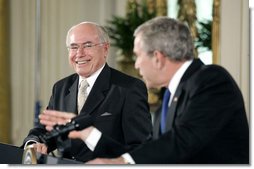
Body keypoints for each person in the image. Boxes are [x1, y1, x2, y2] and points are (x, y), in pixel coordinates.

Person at [71, 16, 249, 164]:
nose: (136, 64)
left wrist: (121, 162)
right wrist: (90, 135)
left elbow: (182, 142)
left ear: (157, 58)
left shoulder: (212, 80)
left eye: (138, 55)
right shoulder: (170, 94)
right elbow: (148, 151)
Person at [22, 21, 153, 162]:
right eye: (74, 47)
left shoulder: (129, 88)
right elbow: (45, 130)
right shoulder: (61, 87)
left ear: (105, 49)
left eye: (88, 45)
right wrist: (34, 143)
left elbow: (141, 148)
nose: (79, 53)